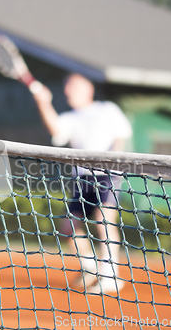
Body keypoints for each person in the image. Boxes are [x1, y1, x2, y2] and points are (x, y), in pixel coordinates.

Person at [31, 74, 132, 293]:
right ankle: (90, 267)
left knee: (103, 220)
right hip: (83, 177)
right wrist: (44, 102)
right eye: (67, 88)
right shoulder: (70, 118)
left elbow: (121, 136)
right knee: (68, 228)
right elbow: (56, 130)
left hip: (108, 174)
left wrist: (111, 164)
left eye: (73, 88)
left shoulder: (107, 109)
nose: (68, 92)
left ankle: (111, 275)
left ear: (88, 90)